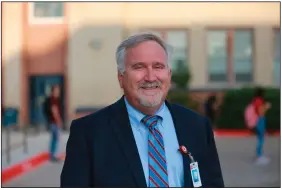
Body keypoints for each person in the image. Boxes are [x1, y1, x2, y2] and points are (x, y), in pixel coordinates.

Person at [60, 33, 224, 187]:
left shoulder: (197, 126)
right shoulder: (88, 133)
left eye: (158, 66)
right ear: (121, 77)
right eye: (139, 67)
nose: (151, 77)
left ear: (169, 74)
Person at [252, 87, 271, 165]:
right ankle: (259, 156)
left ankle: (259, 155)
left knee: (260, 138)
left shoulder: (256, 100)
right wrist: (267, 107)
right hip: (261, 119)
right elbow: (261, 111)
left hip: (258, 120)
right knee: (261, 138)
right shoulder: (259, 101)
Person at [49, 85, 62, 162]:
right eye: (57, 90)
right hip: (54, 122)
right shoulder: (54, 99)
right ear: (54, 91)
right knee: (56, 139)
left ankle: (52, 155)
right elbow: (54, 111)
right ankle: (53, 155)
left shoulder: (53, 99)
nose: (58, 91)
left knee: (54, 138)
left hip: (53, 122)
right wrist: (59, 121)